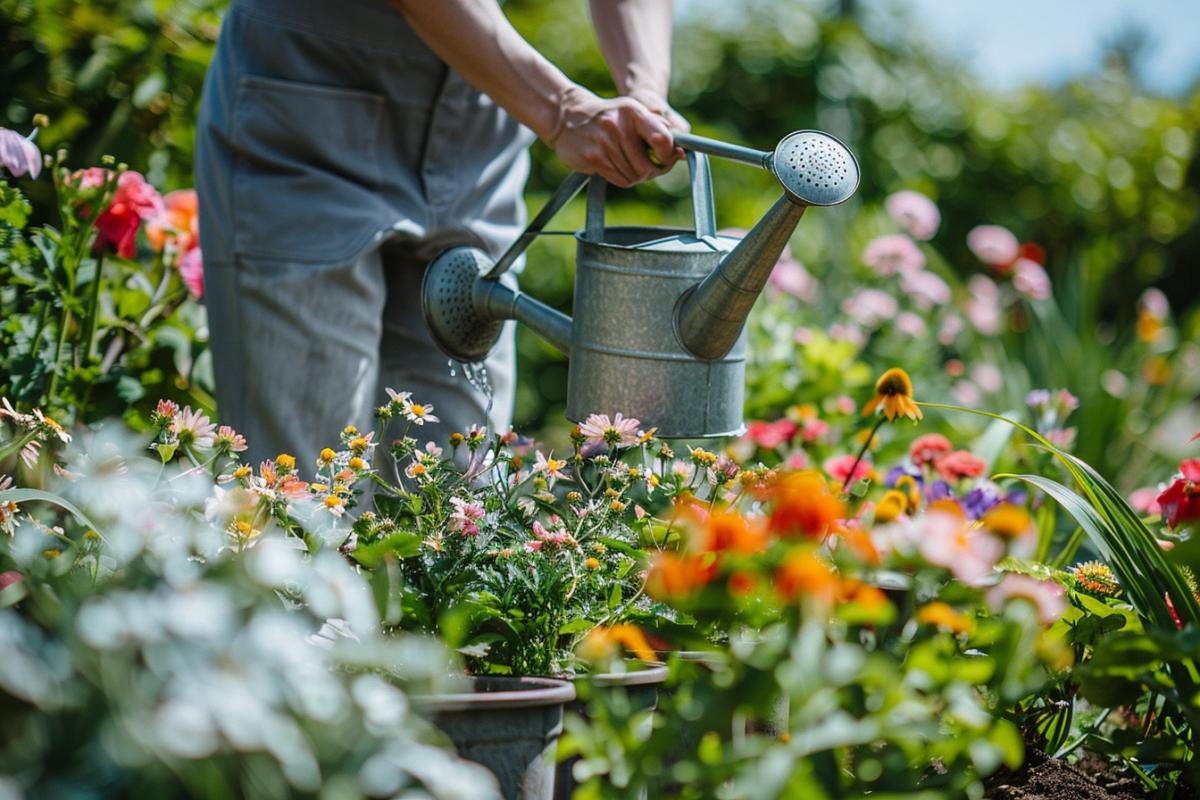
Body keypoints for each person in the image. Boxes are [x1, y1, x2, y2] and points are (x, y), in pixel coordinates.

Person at [195, 0, 687, 470]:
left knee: (457, 484)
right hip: (307, 109)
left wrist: (646, 93)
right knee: (304, 482)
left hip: (477, 126)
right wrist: (561, 111)